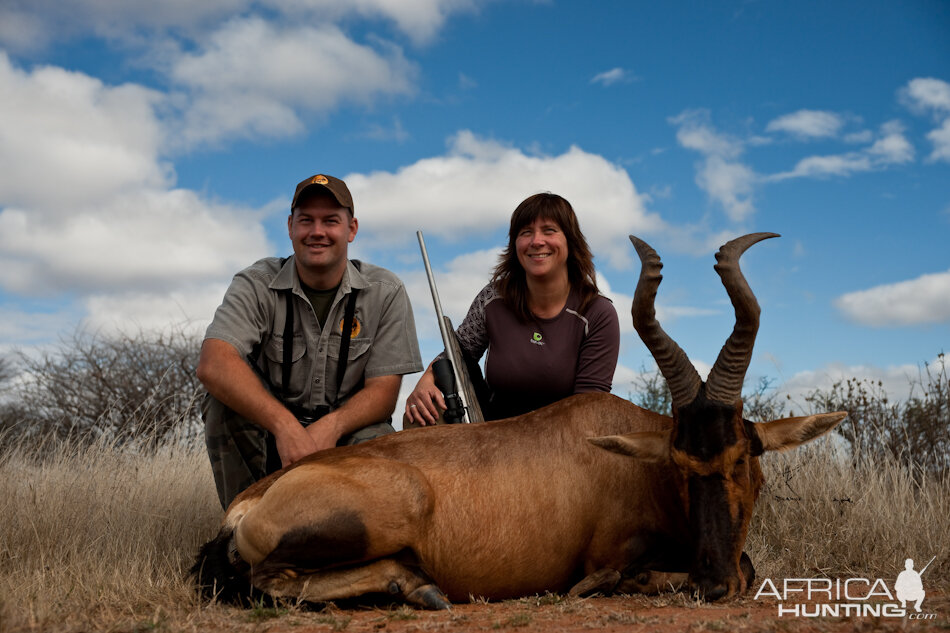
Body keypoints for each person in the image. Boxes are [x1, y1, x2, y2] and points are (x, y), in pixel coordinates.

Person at [198, 173, 423, 509]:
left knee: (382, 450)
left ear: (351, 229)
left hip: (344, 436)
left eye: (330, 221)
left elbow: (383, 394)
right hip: (273, 436)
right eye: (306, 221)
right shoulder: (255, 282)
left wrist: (330, 428)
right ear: (290, 227)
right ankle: (241, 527)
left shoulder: (387, 291)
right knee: (220, 405)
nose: (317, 232)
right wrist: (285, 427)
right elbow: (214, 363)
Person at [405, 192, 620, 425]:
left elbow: (588, 409)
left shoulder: (598, 313)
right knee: (426, 407)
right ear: (515, 244)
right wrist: (427, 379)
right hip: (496, 431)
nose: (536, 241)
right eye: (526, 232)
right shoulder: (493, 296)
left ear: (570, 241)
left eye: (549, 230)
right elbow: (458, 353)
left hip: (563, 440)